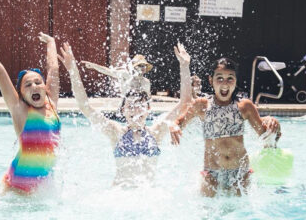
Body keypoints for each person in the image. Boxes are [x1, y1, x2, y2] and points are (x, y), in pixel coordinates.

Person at [58, 42, 191, 188]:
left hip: (147, 199)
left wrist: (184, 67)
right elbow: (84, 107)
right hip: (119, 198)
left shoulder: (156, 132)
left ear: (148, 108)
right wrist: (73, 70)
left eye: (140, 105)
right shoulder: (116, 133)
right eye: (131, 106)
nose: (136, 110)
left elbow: (184, 103)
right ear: (123, 110)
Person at [0, 21, 61, 194]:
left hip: (43, 186)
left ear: (45, 88)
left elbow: (53, 68)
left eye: (38, 82)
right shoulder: (20, 110)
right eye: (28, 85)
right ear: (22, 95)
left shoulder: (52, 105)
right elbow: (0, 72)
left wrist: (51, 43)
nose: (34, 86)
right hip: (17, 189)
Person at [170, 58, 281, 197]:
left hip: (241, 173)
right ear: (211, 80)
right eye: (219, 78)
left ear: (236, 81)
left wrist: (273, 123)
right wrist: (174, 126)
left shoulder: (244, 106)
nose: (225, 83)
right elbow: (179, 122)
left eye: (230, 78)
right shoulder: (202, 105)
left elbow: (266, 136)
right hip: (211, 173)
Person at [81, 54, 152, 96]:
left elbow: (147, 99)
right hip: (124, 110)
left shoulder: (146, 82)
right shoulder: (125, 75)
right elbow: (108, 71)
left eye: (145, 66)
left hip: (138, 112)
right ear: (134, 67)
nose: (143, 68)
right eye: (140, 65)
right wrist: (93, 66)